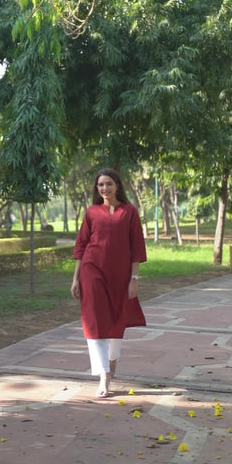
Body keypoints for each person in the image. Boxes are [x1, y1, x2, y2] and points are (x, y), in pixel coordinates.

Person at [71, 167, 147, 398]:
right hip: (92, 271)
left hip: (120, 275)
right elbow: (82, 245)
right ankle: (103, 375)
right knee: (94, 322)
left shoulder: (129, 211)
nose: (104, 188)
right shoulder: (92, 212)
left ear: (117, 186)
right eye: (100, 185)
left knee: (116, 319)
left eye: (108, 184)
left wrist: (134, 278)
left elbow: (137, 247)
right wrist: (75, 278)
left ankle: (112, 362)